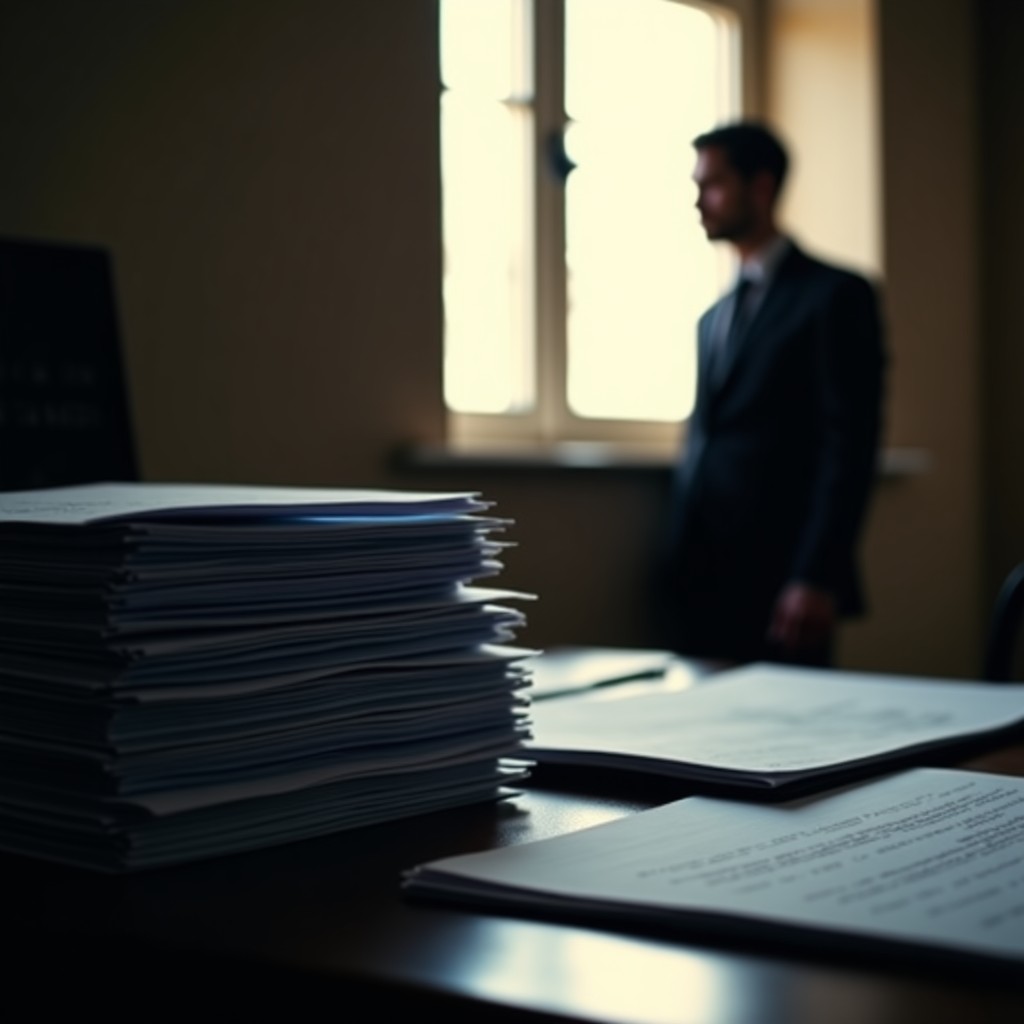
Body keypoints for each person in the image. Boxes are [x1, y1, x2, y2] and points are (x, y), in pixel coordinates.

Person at [661, 121, 886, 666]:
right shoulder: (711, 318)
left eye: (712, 185)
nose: (699, 202)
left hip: (784, 582)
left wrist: (816, 574)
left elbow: (850, 446)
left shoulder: (836, 296)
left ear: (760, 187)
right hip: (700, 579)